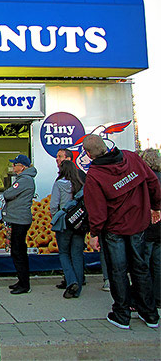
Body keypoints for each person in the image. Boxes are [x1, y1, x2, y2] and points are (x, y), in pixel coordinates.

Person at [84, 134, 160, 329]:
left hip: (114, 230)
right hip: (138, 225)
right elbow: (153, 182)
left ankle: (122, 314)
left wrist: (94, 234)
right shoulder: (131, 158)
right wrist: (156, 207)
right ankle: (150, 314)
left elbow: (96, 209)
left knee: (118, 270)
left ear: (88, 154)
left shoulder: (95, 174)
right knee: (140, 268)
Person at [50, 160, 85, 299]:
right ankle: (78, 288)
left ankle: (71, 282)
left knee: (64, 253)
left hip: (64, 223)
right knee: (77, 254)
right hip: (79, 223)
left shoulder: (59, 184)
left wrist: (55, 217)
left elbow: (54, 205)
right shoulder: (81, 185)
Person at [2, 154, 37, 295]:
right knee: (17, 250)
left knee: (18, 252)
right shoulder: (24, 179)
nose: (13, 167)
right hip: (18, 218)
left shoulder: (24, 180)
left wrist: (8, 192)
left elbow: (8, 194)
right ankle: (21, 280)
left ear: (22, 167)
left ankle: (24, 283)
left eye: (15, 164)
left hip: (19, 220)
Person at [139, 148, 161, 308]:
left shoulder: (145, 180)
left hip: (146, 226)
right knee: (158, 263)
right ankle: (158, 297)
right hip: (160, 227)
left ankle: (145, 299)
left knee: (143, 264)